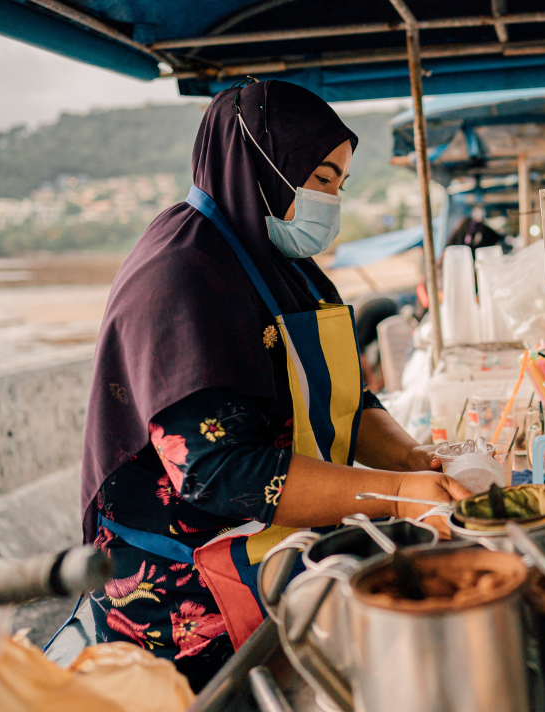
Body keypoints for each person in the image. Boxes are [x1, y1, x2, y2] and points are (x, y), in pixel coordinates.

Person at [79, 79, 470, 690]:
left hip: (274, 552)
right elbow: (216, 470)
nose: (332, 200)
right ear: (260, 163)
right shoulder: (179, 276)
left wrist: (419, 460)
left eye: (340, 183)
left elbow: (343, 399)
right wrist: (396, 495)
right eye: (320, 178)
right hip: (185, 599)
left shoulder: (288, 268)